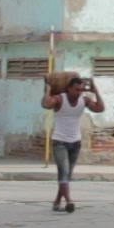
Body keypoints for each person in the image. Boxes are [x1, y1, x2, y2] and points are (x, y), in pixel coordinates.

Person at [41, 76, 104, 214]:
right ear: (69, 88)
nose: (79, 92)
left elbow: (100, 108)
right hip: (60, 142)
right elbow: (46, 104)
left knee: (67, 174)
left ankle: (57, 201)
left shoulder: (84, 100)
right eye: (76, 89)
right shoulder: (59, 99)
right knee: (64, 172)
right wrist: (48, 90)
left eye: (81, 90)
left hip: (76, 142)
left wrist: (96, 91)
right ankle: (69, 201)